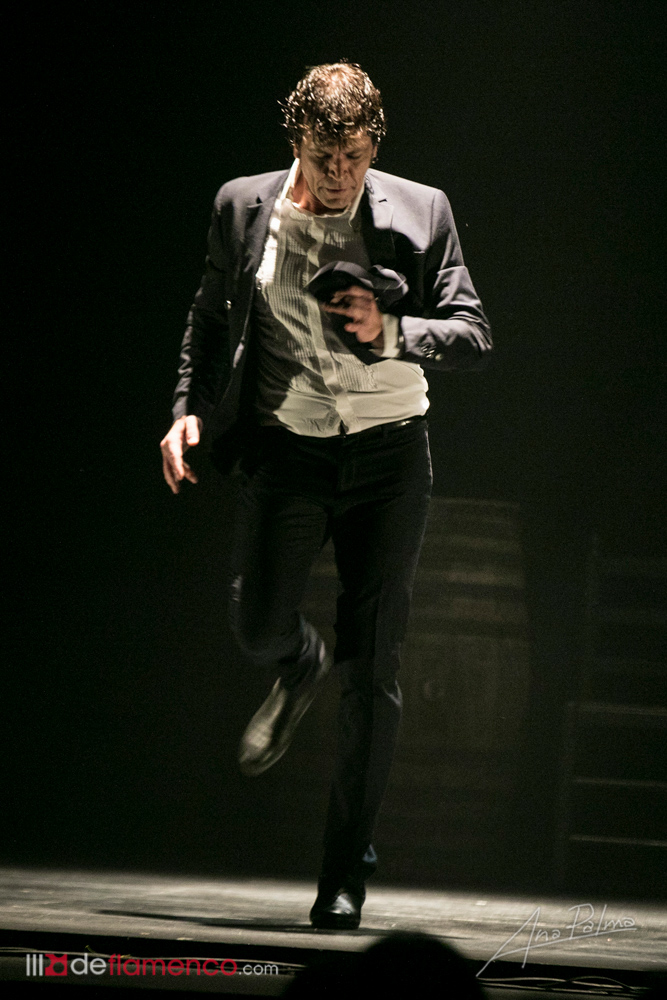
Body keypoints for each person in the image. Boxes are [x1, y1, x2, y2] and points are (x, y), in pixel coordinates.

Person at [160, 62, 491, 930]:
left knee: (372, 669)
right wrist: (187, 411)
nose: (338, 173)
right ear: (294, 142)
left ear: (374, 145)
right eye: (321, 155)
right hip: (289, 450)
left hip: (388, 458)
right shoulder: (244, 207)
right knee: (257, 624)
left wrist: (394, 330)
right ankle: (296, 661)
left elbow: (472, 332)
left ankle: (343, 872)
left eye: (353, 156)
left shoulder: (421, 210)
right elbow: (209, 316)